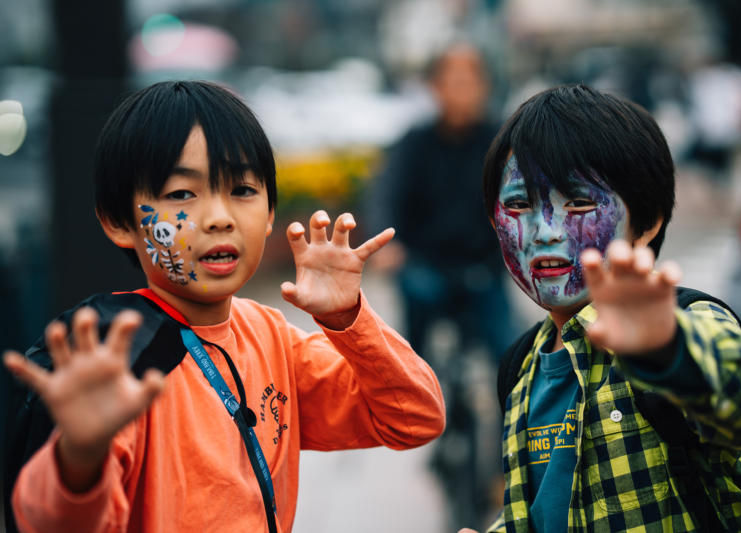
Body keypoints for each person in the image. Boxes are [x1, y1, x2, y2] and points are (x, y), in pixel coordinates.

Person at [2, 80, 446, 533]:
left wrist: (348, 318)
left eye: (242, 190)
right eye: (181, 194)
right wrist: (79, 459)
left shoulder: (271, 337)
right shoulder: (115, 360)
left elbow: (414, 417)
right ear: (119, 222)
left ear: (270, 213)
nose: (219, 217)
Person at [459, 84, 741, 532]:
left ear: (647, 221)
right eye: (519, 205)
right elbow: (538, 510)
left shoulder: (680, 327)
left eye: (578, 202)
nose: (544, 231)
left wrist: (670, 351)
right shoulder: (520, 371)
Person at [368, 41, 516, 364]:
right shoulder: (414, 142)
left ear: (485, 86)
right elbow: (386, 194)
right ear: (434, 87)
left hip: (483, 264)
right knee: (411, 356)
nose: (463, 90)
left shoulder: (503, 141)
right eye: (453, 81)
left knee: (510, 354)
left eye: (471, 80)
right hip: (426, 263)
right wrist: (387, 243)